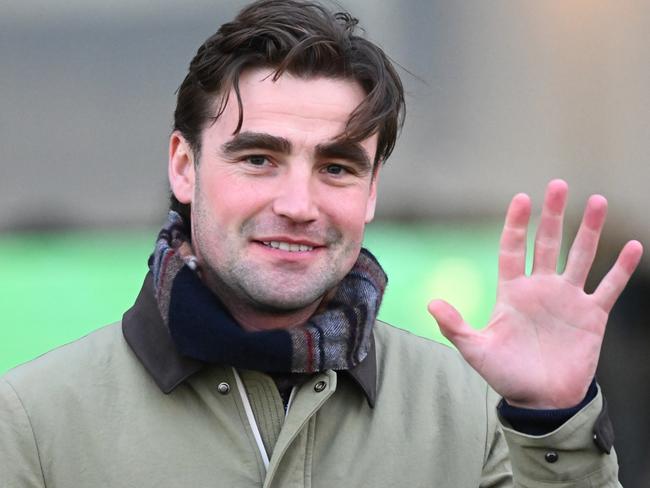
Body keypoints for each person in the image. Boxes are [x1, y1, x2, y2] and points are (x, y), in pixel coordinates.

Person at [0, 1, 643, 486]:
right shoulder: (31, 422)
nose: (299, 205)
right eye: (258, 158)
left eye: (336, 167)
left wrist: (552, 422)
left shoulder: (475, 414)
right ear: (183, 167)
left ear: (370, 191)